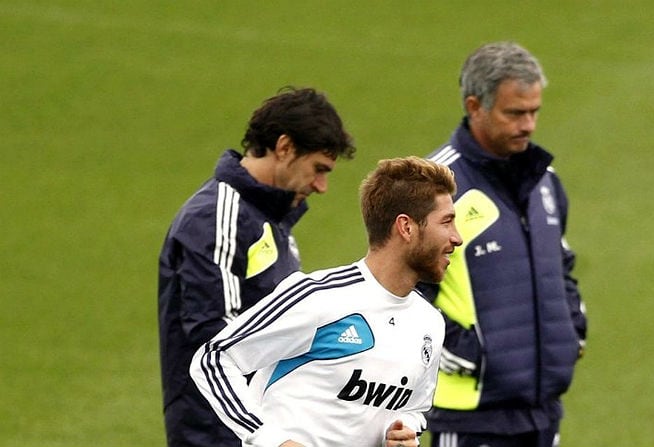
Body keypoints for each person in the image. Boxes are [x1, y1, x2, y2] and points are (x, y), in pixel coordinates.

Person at [189, 156, 464, 447]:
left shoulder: (429, 322)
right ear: (406, 227)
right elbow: (214, 359)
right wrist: (273, 440)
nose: (457, 238)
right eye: (446, 222)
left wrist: (402, 431)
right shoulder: (319, 298)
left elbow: (414, 408)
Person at [158, 87, 356, 447]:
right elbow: (214, 340)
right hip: (222, 433)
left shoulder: (270, 221)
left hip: (263, 427)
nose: (322, 186)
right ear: (284, 148)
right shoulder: (217, 217)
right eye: (318, 169)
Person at [420, 42, 588, 447]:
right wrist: (469, 355)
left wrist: (572, 331)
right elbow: (402, 290)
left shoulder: (544, 181)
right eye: (515, 113)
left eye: (534, 112)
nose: (528, 125)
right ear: (475, 105)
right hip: (471, 416)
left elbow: (560, 264)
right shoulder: (436, 187)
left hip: (542, 408)